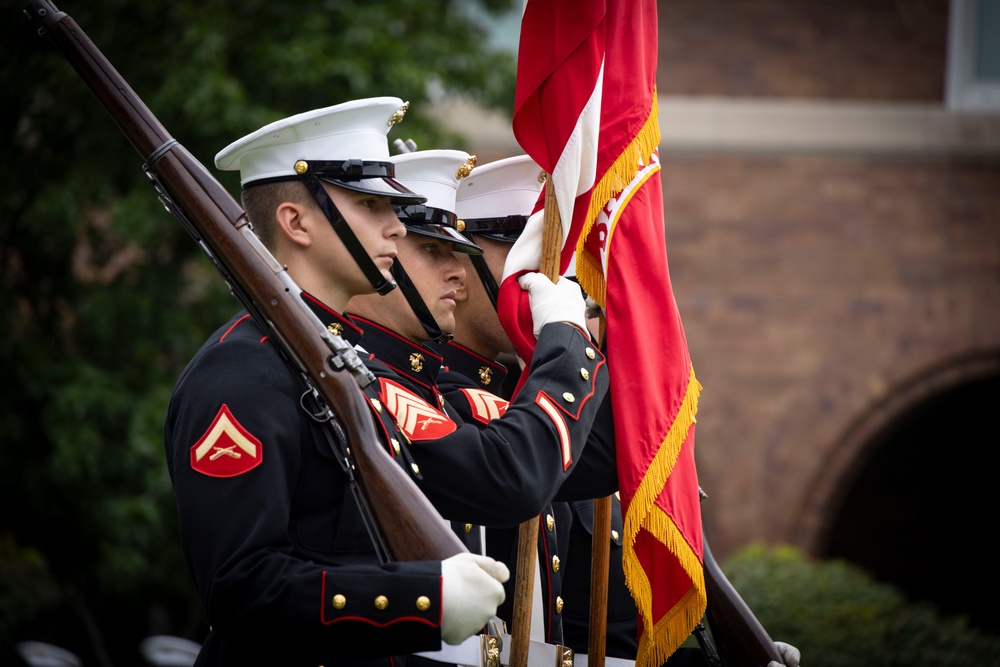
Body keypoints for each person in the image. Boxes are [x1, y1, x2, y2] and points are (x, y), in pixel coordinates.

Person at [163, 98, 510, 667]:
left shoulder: (342, 360)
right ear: (295, 222)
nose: (395, 225)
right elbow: (243, 587)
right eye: (371, 205)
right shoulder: (242, 371)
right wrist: (424, 600)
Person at [444, 155, 803, 667]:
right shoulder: (454, 402)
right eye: (520, 251)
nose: (552, 274)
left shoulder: (554, 398)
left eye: (565, 259)